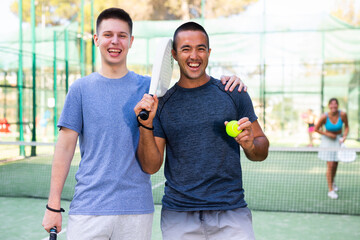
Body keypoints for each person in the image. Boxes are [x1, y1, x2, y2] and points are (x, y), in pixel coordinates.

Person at [41, 8, 247, 240]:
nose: (115, 41)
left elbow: (193, 85)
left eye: (122, 35)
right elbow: (65, 148)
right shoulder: (80, 89)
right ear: (96, 39)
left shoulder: (154, 89)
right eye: (108, 34)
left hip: (137, 212)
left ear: (131, 41)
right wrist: (53, 205)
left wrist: (230, 81)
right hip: (88, 210)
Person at [134, 22, 269, 240]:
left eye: (201, 48)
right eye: (186, 49)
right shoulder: (162, 104)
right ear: (174, 55)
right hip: (178, 216)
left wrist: (251, 145)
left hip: (231, 213)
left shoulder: (234, 93)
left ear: (209, 52)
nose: (194, 56)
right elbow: (150, 166)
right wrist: (145, 125)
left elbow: (261, 150)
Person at [315, 98, 349, 200]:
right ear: (329, 106)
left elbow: (347, 127)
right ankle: (331, 190)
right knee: (330, 165)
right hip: (327, 142)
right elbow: (316, 129)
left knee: (335, 164)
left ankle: (332, 182)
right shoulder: (324, 117)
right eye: (331, 104)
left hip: (338, 140)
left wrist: (344, 137)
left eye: (335, 104)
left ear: (337, 105)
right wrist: (328, 134)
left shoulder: (342, 114)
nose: (333, 106)